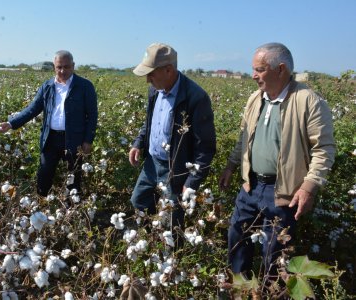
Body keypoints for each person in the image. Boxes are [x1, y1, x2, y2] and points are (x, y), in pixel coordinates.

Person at [219, 43, 336, 277]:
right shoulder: (256, 99)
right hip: (251, 186)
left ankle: (270, 292)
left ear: (280, 69)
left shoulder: (307, 101)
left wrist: (308, 187)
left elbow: (324, 149)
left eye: (260, 69)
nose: (253, 76)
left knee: (274, 251)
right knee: (237, 237)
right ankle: (241, 288)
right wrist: (232, 165)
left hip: (282, 191)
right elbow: (244, 138)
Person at [129, 43, 216, 230]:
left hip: (175, 169)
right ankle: (150, 240)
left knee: (171, 221)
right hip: (152, 164)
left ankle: (170, 253)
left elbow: (205, 146)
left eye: (151, 73)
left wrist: (192, 182)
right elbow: (150, 122)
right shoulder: (155, 90)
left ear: (168, 70)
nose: (148, 80)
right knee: (139, 202)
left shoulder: (195, 97)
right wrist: (138, 143)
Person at [0, 50, 98, 197]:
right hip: (51, 138)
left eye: (66, 67)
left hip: (74, 139)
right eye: (59, 67)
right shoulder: (48, 86)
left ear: (73, 66)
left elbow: (92, 115)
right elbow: (32, 109)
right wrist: (11, 124)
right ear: (54, 67)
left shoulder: (85, 86)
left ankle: (72, 211)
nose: (62, 71)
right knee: (44, 175)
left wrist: (88, 140)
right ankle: (42, 206)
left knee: (74, 177)